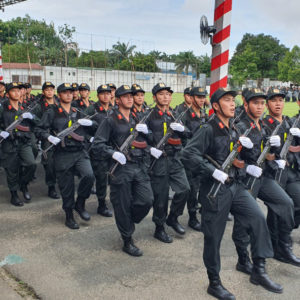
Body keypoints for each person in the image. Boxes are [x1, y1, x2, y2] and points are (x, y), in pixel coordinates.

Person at [181, 88, 280, 300]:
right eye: (227, 100)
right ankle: (214, 282)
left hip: (235, 186)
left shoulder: (234, 129)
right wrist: (212, 171)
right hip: (214, 192)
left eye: (233, 100)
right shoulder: (208, 129)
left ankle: (259, 269)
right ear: (216, 106)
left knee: (257, 218)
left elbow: (239, 160)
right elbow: (187, 153)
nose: (232, 104)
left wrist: (254, 164)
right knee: (213, 238)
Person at [92, 85, 155, 256]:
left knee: (147, 200)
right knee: (122, 204)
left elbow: (150, 140)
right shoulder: (110, 120)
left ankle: (129, 220)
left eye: (131, 96)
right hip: (120, 169)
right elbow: (97, 144)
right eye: (125, 96)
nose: (130, 98)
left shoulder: (138, 117)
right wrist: (112, 153)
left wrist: (147, 132)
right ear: (117, 99)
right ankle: (127, 240)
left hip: (139, 165)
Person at [35, 83, 95, 229]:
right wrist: (49, 137)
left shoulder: (78, 111)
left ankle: (80, 204)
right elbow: (38, 129)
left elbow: (93, 128)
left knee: (89, 175)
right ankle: (69, 215)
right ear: (59, 94)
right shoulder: (52, 112)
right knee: (66, 187)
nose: (69, 94)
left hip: (79, 152)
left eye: (71, 92)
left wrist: (91, 123)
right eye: (65, 92)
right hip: (62, 154)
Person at [146, 83, 190, 243]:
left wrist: (181, 129)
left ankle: (173, 217)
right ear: (154, 97)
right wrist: (151, 149)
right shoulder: (148, 115)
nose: (165, 97)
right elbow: (140, 138)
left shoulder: (175, 114)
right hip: (158, 160)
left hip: (174, 158)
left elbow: (188, 135)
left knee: (185, 189)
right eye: (162, 94)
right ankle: (159, 228)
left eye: (168, 94)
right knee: (161, 197)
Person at [0, 82, 37, 206]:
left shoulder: (24, 107)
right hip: (9, 143)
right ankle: (14, 195)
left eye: (18, 90)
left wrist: (31, 117)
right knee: (12, 170)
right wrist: (1, 132)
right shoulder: (2, 107)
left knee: (31, 164)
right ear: (8, 93)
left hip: (23, 142)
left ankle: (23, 184)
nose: (17, 93)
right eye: (13, 91)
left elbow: (36, 123)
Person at [181, 87, 208, 231]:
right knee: (192, 189)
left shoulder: (203, 114)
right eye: (198, 97)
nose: (201, 99)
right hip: (190, 156)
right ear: (191, 98)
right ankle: (192, 217)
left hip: (203, 155)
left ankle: (203, 210)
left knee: (202, 186)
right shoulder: (185, 114)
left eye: (203, 97)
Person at [87, 84, 113, 217]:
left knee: (113, 176)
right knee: (101, 178)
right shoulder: (92, 109)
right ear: (97, 95)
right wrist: (89, 138)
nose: (106, 96)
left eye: (108, 93)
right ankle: (101, 204)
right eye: (103, 93)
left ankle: (115, 200)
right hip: (98, 149)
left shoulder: (114, 110)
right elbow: (80, 128)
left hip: (112, 148)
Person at [33, 81, 60, 199]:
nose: (49, 92)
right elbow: (35, 121)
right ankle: (51, 187)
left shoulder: (59, 103)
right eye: (47, 90)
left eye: (51, 89)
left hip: (60, 137)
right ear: (43, 92)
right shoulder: (39, 105)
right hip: (47, 137)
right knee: (49, 163)